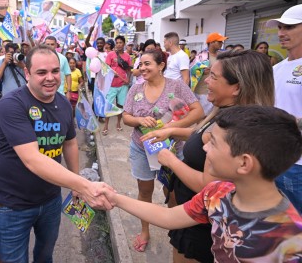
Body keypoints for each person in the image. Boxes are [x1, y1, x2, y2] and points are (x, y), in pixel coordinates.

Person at [105, 105, 302, 261]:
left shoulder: (290, 242)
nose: (205, 147)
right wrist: (113, 197)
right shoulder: (217, 192)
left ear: (244, 163)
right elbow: (168, 217)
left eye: (213, 143)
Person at [141, 50, 275, 262]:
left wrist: (171, 161)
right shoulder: (226, 115)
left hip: (200, 227)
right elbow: (203, 135)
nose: (206, 82)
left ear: (237, 88)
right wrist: (170, 131)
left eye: (213, 77)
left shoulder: (233, 128)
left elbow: (209, 186)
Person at [0, 45, 114, 262]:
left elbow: (70, 143)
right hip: (12, 204)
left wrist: (76, 182)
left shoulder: (64, 104)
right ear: (27, 73)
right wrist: (84, 186)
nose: (50, 78)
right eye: (41, 72)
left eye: (55, 71)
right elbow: (33, 160)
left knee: (45, 255)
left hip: (50, 200)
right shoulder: (11, 104)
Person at [123, 48, 203, 253]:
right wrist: (140, 120)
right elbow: (126, 116)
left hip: (173, 149)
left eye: (147, 64)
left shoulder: (177, 86)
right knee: (144, 191)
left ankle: (176, 229)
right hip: (142, 148)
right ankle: (144, 230)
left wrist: (170, 128)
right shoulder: (136, 89)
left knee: (173, 191)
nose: (142, 68)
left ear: (161, 66)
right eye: (141, 64)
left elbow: (198, 111)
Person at [267, 4, 302, 214]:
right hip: (271, 159)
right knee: (279, 225)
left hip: (298, 165)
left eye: (289, 27)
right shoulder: (276, 69)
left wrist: (286, 122)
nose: (281, 33)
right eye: (280, 27)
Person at [190, 32, 227, 116]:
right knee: (202, 116)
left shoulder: (222, 56)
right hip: (203, 92)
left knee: (211, 117)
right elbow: (191, 70)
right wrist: (201, 72)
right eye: (219, 42)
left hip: (217, 91)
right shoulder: (201, 56)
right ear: (211, 42)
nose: (222, 44)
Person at [102, 35, 132, 135]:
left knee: (120, 105)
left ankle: (118, 124)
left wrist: (128, 79)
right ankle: (106, 125)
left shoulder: (127, 56)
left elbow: (129, 70)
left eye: (121, 43)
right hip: (111, 85)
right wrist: (111, 73)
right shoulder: (111, 54)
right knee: (108, 105)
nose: (119, 44)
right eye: (117, 42)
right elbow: (105, 68)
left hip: (123, 85)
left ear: (124, 44)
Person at [44, 36, 72, 101]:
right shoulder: (40, 58)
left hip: (60, 93)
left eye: (52, 44)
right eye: (47, 44)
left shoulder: (63, 58)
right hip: (44, 94)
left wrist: (68, 91)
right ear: (44, 45)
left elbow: (68, 75)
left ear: (56, 45)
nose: (50, 46)